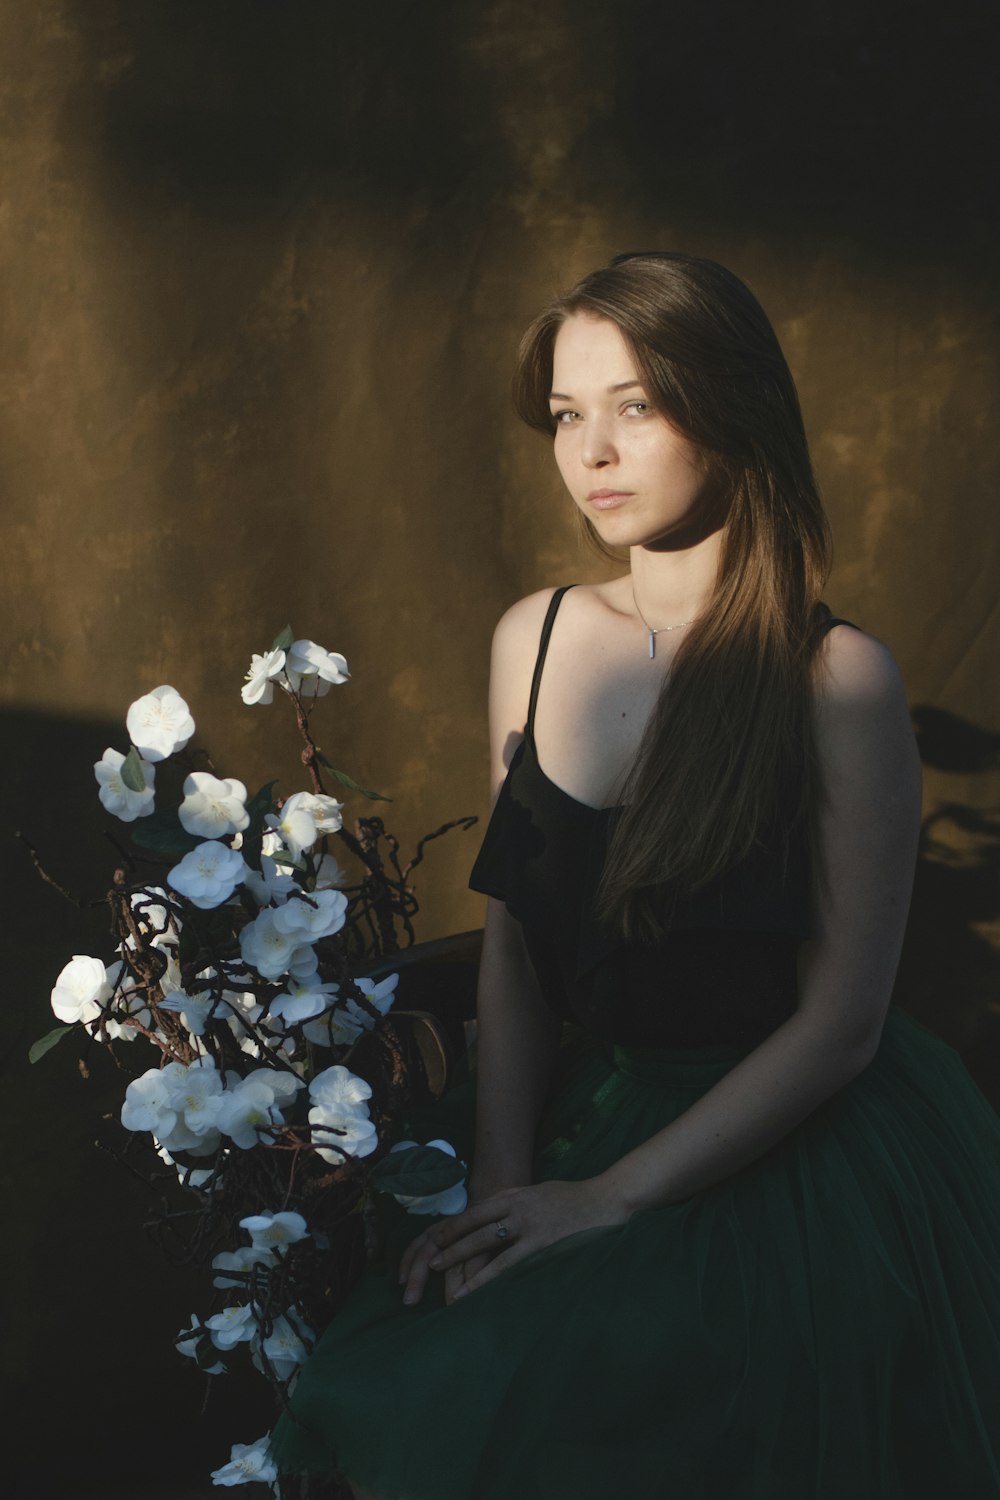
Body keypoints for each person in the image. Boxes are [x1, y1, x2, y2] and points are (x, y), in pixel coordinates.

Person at [270, 253, 1000, 1499]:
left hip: (774, 1149)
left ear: (730, 409)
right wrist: (506, 1186)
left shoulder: (835, 682)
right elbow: (512, 948)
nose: (589, 452)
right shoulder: (536, 634)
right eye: (566, 414)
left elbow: (842, 1025)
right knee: (429, 1379)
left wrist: (602, 1202)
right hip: (576, 1112)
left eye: (636, 407)